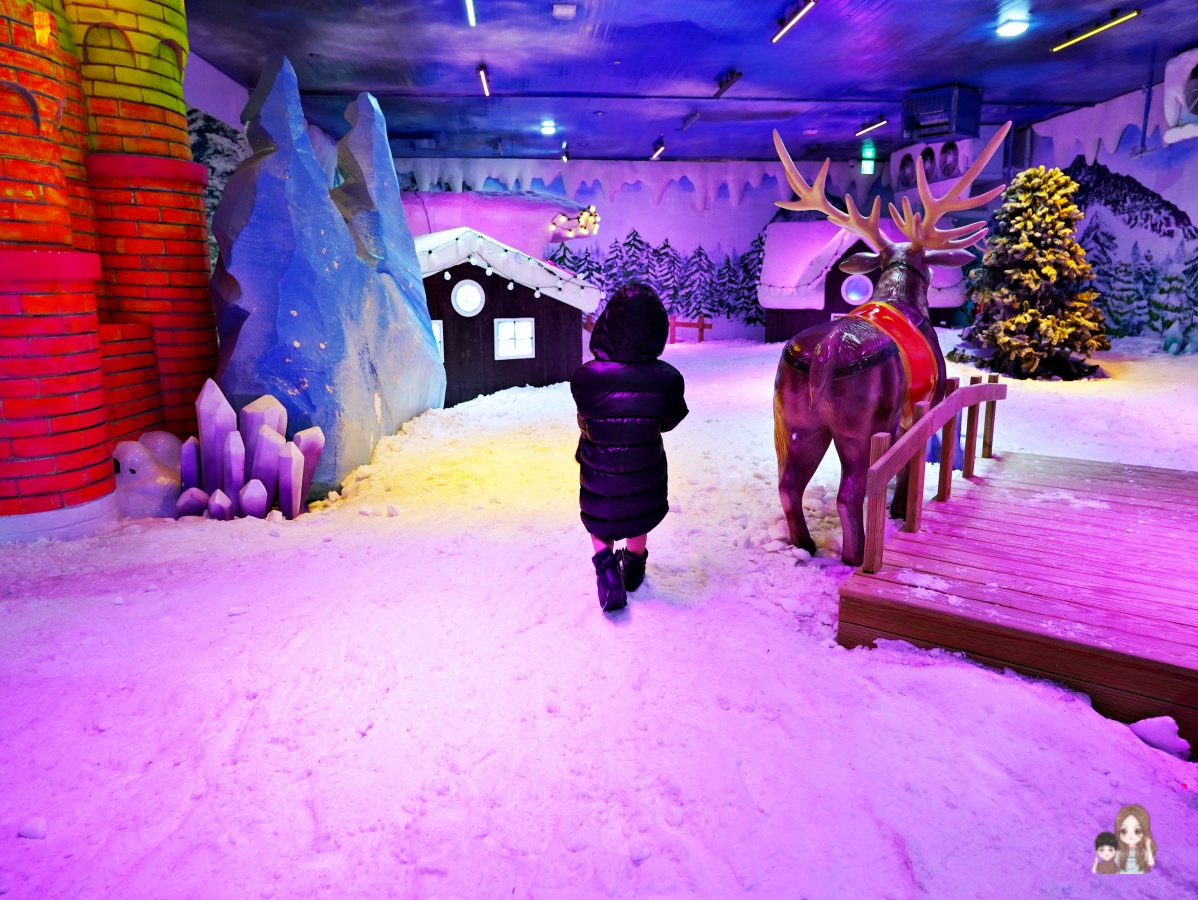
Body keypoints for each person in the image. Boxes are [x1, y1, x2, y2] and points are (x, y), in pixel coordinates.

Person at [571, 282, 688, 612]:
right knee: (639, 519)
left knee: (600, 519)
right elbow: (670, 420)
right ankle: (633, 572)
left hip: (599, 466)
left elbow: (587, 418)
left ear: (608, 323)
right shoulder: (668, 379)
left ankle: (607, 572)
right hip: (645, 467)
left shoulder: (586, 376)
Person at [1115, 804, 1156, 874]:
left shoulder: (1142, 851)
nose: (1130, 835)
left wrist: (1148, 846)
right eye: (1124, 831)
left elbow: (1151, 863)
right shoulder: (1120, 851)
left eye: (1137, 831)